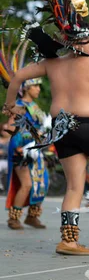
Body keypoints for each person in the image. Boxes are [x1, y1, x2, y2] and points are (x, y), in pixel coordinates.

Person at [5, 0, 89, 255]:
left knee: (75, 186)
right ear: (76, 43)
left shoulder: (52, 65)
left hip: (62, 129)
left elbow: (18, 77)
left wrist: (10, 105)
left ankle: (69, 240)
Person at [1, 39, 50, 230]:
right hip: (21, 148)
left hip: (36, 148)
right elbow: (8, 127)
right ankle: (14, 217)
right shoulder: (20, 106)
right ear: (27, 87)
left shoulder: (35, 106)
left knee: (42, 182)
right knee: (27, 184)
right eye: (36, 86)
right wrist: (23, 136)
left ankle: (32, 216)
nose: (38, 89)